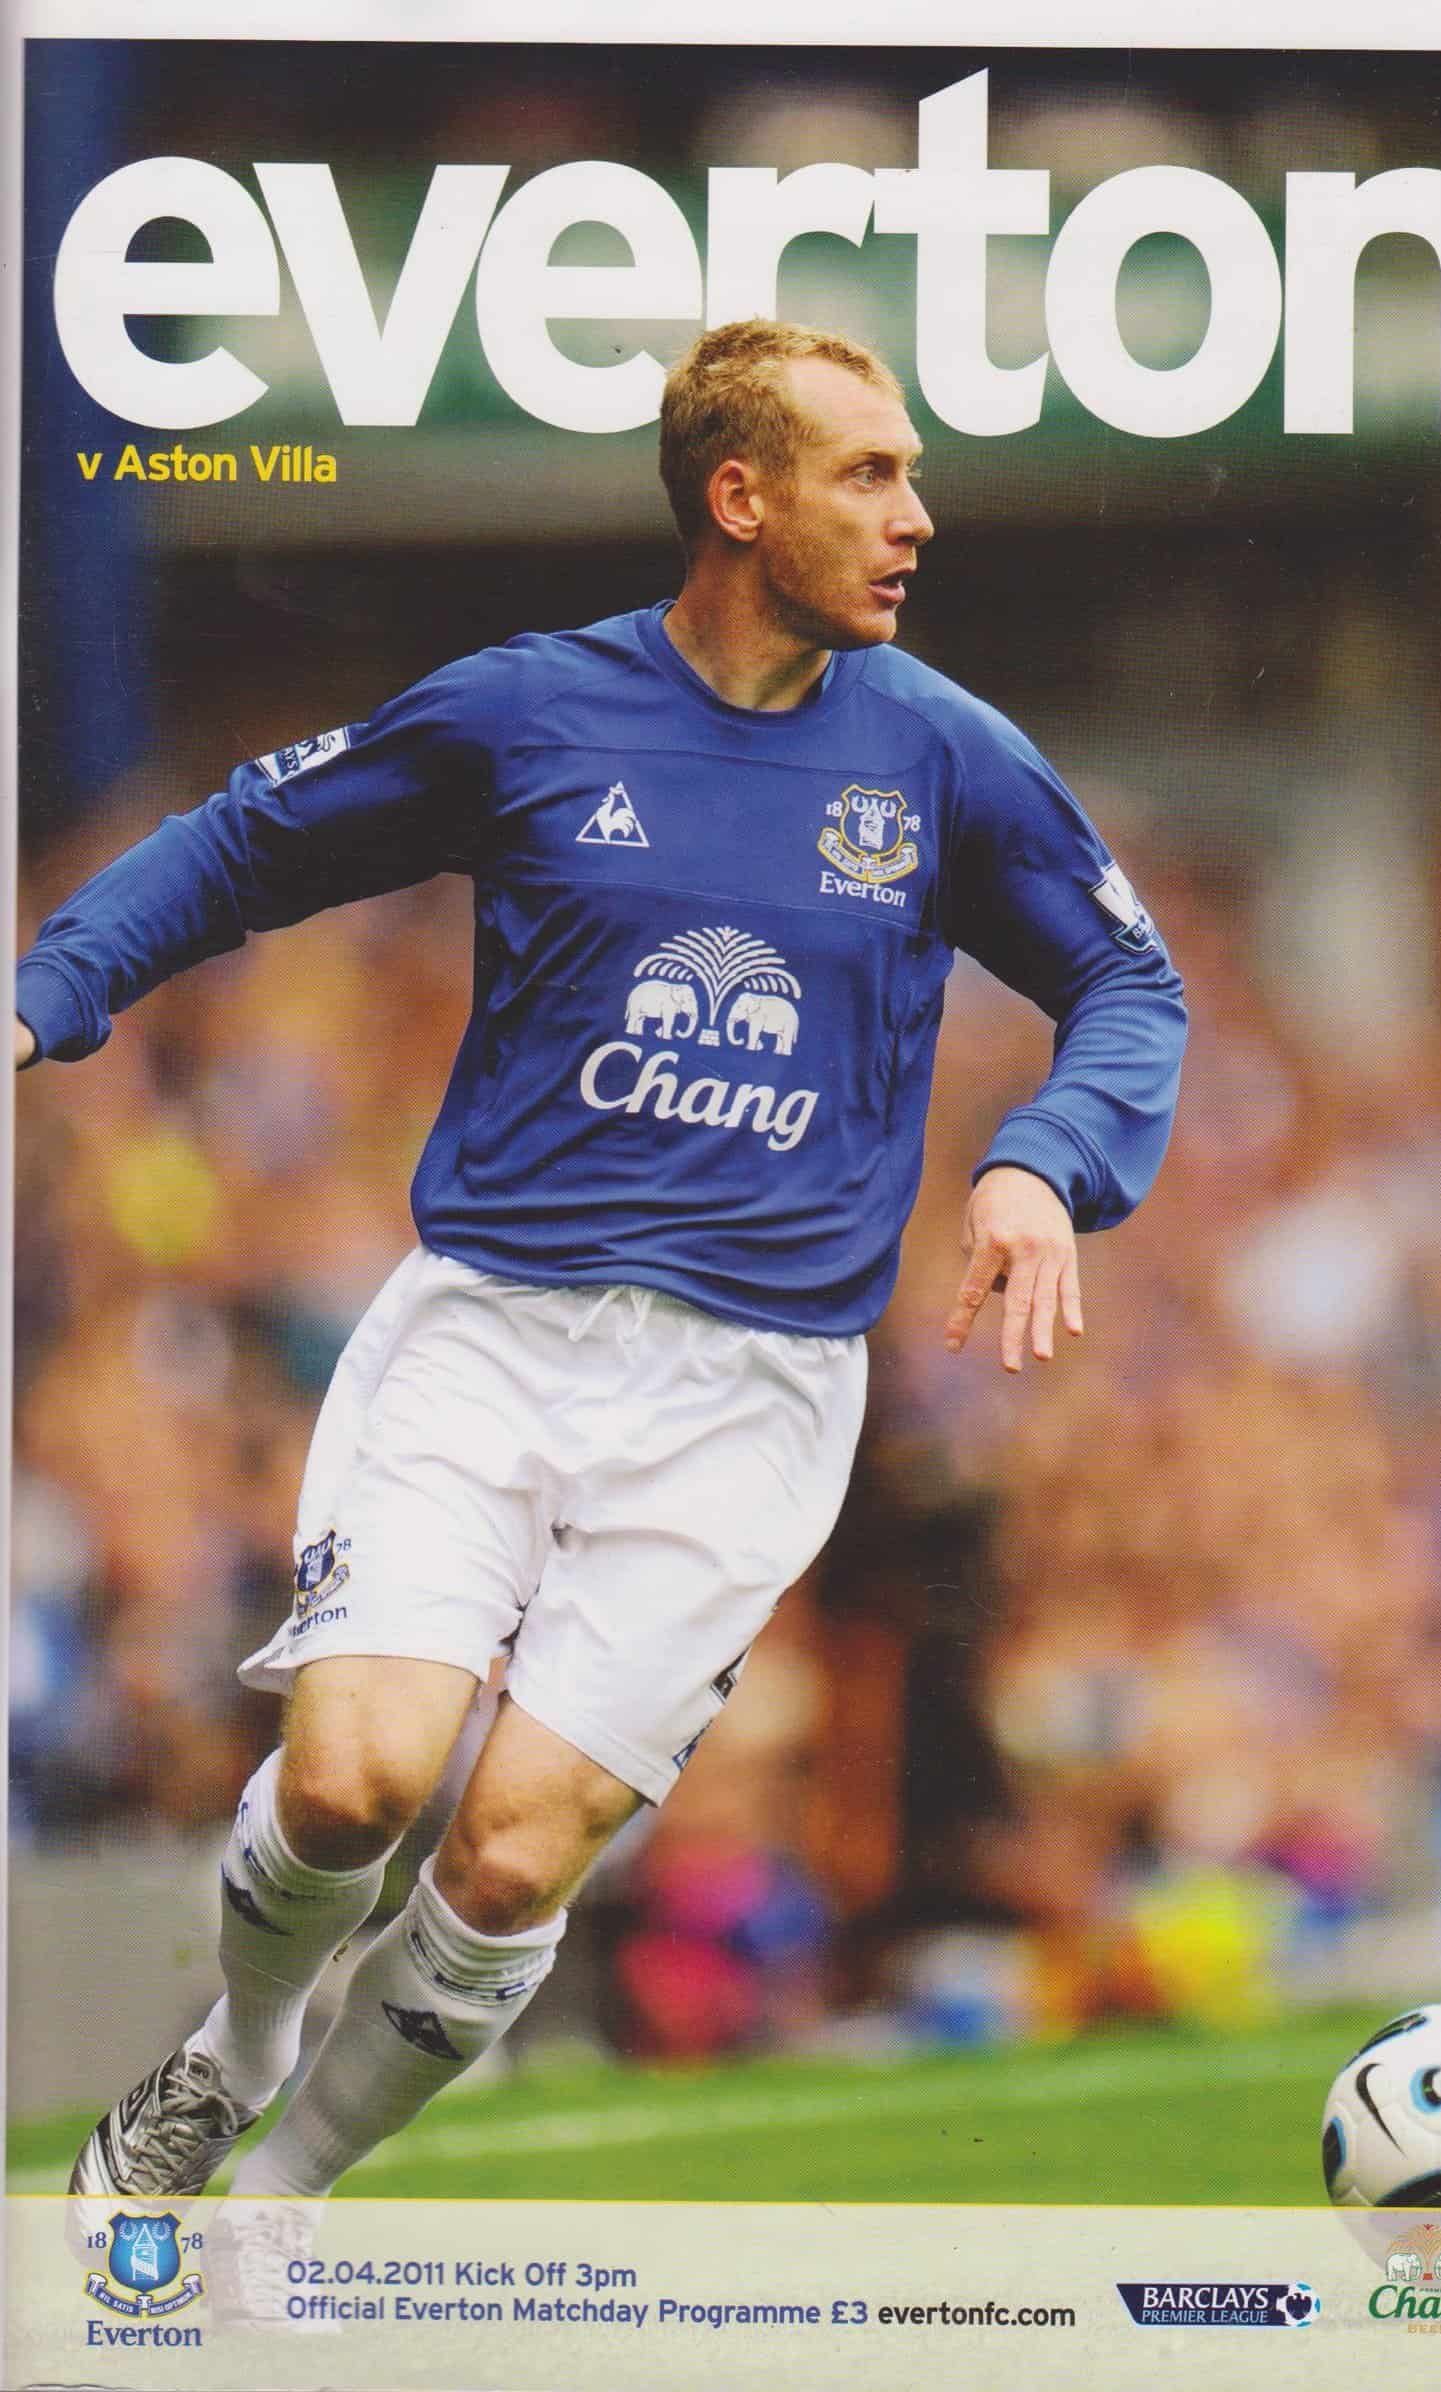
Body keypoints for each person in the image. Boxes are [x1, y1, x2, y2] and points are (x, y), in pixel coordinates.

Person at [16, 321, 1186, 2232]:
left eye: (912, 473)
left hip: (756, 1393)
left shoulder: (943, 756)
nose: (918, 516)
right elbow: (245, 845)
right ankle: (230, 2056)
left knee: (507, 1859)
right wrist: (46, 992)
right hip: (493, 1332)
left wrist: (1043, 1162)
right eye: (870, 475)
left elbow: (1127, 979)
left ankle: (278, 2203)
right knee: (353, 1784)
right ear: (741, 498)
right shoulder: (529, 713)